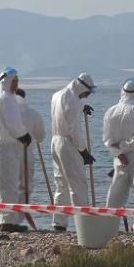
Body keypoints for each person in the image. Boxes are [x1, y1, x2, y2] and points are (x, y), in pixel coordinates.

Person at [0, 68, 33, 232]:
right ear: (6, 82)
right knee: (9, 184)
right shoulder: (6, 99)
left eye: (17, 81)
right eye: (14, 81)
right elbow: (13, 124)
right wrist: (24, 136)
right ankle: (8, 222)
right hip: (7, 146)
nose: (16, 84)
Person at [50, 73, 96, 232]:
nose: (88, 95)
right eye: (88, 91)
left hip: (55, 141)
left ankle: (59, 223)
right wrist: (84, 152)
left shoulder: (57, 95)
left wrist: (81, 107)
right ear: (81, 86)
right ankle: (84, 225)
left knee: (61, 183)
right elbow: (74, 131)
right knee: (78, 185)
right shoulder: (74, 100)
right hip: (68, 144)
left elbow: (63, 114)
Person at [103, 78, 134, 225]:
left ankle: (109, 224)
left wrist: (119, 152)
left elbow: (107, 139)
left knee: (116, 191)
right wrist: (125, 146)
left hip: (119, 157)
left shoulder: (111, 111)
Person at [15, 88, 46, 203]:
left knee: (5, 186)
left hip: (6, 154)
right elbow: (41, 136)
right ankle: (19, 214)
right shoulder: (33, 114)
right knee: (25, 187)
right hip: (26, 155)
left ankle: (4, 216)